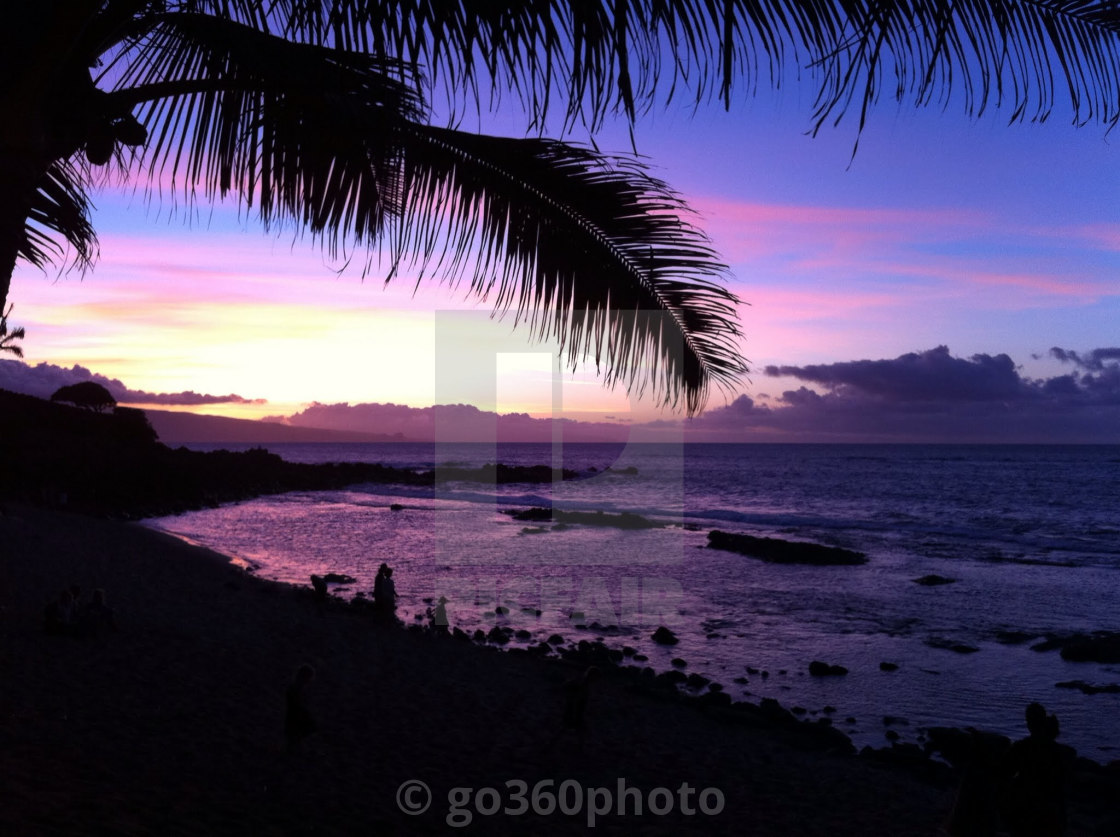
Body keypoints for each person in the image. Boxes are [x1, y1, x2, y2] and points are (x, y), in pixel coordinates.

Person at [1000, 702, 1070, 837]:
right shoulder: (1057, 750)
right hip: (1052, 809)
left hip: (1027, 808)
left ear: (1029, 723)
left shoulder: (1022, 747)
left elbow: (1004, 771)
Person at [284, 664, 317, 754]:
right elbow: (298, 705)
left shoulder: (295, 688)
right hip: (296, 719)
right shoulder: (296, 689)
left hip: (294, 719)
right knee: (295, 741)